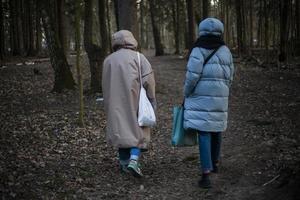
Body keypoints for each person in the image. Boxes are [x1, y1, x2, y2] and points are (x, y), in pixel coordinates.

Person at [183, 18, 234, 188]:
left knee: (204, 132)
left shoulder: (198, 49)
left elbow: (192, 76)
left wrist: (187, 92)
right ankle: (215, 164)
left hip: (200, 97)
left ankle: (206, 174)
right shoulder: (225, 49)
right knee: (217, 129)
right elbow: (230, 74)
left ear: (201, 31)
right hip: (220, 95)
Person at [102, 30, 156, 178]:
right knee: (138, 130)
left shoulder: (108, 60)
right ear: (132, 41)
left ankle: (124, 164)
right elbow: (148, 81)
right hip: (135, 99)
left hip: (114, 102)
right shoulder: (139, 58)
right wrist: (152, 99)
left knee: (121, 130)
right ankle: (133, 160)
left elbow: (104, 84)